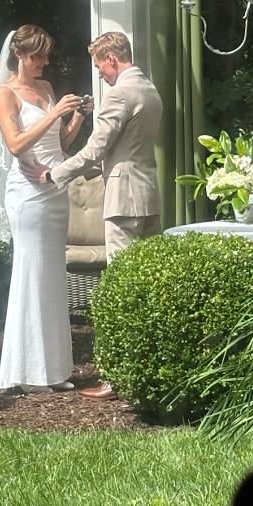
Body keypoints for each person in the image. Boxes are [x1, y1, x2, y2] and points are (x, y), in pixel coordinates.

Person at [40, 30, 163, 400]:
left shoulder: (121, 94)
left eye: (100, 65)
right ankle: (148, 368)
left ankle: (118, 377)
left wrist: (55, 174)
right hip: (148, 194)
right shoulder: (150, 89)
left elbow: (96, 151)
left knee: (123, 286)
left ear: (112, 57)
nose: (101, 73)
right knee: (146, 285)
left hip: (124, 199)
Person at [0, 24, 91, 394]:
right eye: (38, 56)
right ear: (19, 55)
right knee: (30, 272)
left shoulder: (45, 89)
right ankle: (22, 370)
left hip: (53, 188)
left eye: (47, 55)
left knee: (52, 276)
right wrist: (52, 113)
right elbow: (14, 145)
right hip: (27, 194)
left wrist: (76, 116)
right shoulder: (5, 93)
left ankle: (53, 370)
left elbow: (58, 143)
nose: (45, 63)